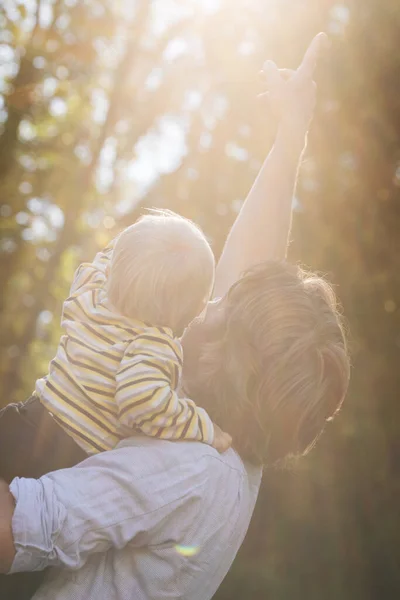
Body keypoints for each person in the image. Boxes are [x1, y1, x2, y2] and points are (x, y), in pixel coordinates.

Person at [0, 33, 350, 600]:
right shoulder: (235, 442)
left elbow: (15, 528)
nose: (204, 307)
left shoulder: (184, 466)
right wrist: (291, 136)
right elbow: (252, 271)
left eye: (220, 309)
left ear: (234, 361)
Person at [0, 210, 232, 486]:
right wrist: (204, 426)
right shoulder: (155, 344)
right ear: (194, 310)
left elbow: (104, 260)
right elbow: (144, 403)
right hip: (62, 464)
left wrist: (137, 244)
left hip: (20, 425)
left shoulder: (91, 294)